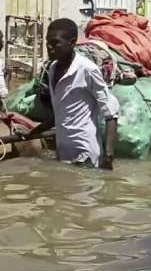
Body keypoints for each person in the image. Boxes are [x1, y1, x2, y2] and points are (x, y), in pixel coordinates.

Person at [25, 18, 119, 170]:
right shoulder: (53, 69)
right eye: (47, 42)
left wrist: (108, 157)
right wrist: (33, 131)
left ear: (72, 42)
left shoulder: (88, 70)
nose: (49, 47)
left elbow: (111, 115)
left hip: (85, 153)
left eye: (55, 43)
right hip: (63, 152)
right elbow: (60, 112)